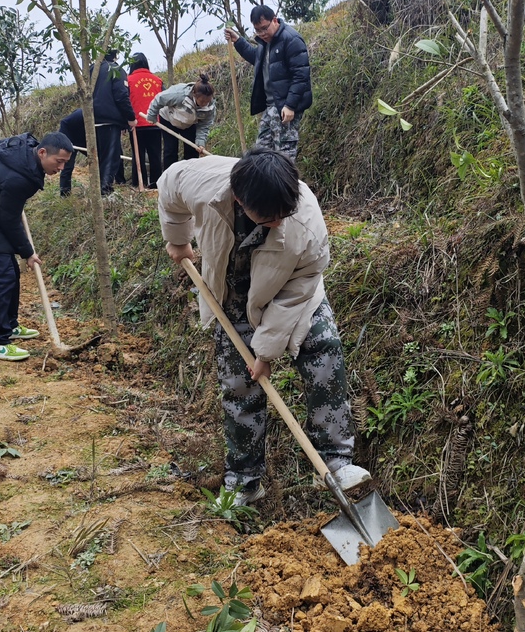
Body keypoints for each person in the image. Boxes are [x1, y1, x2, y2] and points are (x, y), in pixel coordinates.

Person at [158, 147, 369, 504]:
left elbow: (296, 293)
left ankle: (335, 461)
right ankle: (244, 481)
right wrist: (178, 240)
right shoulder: (202, 183)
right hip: (231, 293)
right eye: (267, 217)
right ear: (239, 199)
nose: (277, 221)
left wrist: (266, 352)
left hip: (291, 291)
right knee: (240, 385)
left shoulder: (306, 225)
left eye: (282, 214)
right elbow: (167, 187)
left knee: (324, 350)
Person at [0, 132, 73, 361]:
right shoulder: (19, 179)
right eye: (58, 161)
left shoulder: (23, 145)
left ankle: (9, 325)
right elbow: (9, 221)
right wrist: (28, 252)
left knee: (11, 271)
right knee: (2, 277)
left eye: (65, 163)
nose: (60, 168)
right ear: (42, 152)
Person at [225, 6, 311, 161]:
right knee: (261, 153)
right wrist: (238, 41)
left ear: (275, 20)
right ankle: (264, 184)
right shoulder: (265, 42)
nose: (262, 33)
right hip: (270, 107)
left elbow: (301, 76)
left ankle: (285, 184)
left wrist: (290, 105)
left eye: (264, 28)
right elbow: (255, 58)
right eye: (257, 30)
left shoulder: (291, 39)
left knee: (284, 155)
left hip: (285, 107)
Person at [145, 74, 217, 175]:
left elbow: (204, 125)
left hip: (190, 123)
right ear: (194, 95)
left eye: (207, 101)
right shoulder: (179, 94)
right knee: (170, 150)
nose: (205, 103)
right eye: (202, 101)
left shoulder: (210, 107)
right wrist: (152, 115)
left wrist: (200, 141)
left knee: (192, 151)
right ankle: (169, 178)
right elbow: (159, 99)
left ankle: (189, 177)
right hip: (169, 119)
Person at [92, 50, 137, 194]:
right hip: (109, 119)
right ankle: (105, 191)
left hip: (92, 119)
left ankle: (99, 188)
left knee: (101, 156)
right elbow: (121, 96)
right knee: (111, 157)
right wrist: (130, 118)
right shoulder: (116, 69)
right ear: (115, 55)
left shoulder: (92, 69)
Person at [127, 53, 163, 189]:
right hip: (155, 123)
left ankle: (138, 184)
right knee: (155, 155)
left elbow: (125, 101)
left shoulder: (128, 80)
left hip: (137, 124)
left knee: (138, 155)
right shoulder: (157, 80)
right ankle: (156, 184)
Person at [57, 109, 86, 198]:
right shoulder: (82, 113)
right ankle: (65, 194)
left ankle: (119, 182)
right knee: (67, 165)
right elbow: (64, 122)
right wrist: (65, 143)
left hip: (83, 136)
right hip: (68, 134)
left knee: (100, 158)